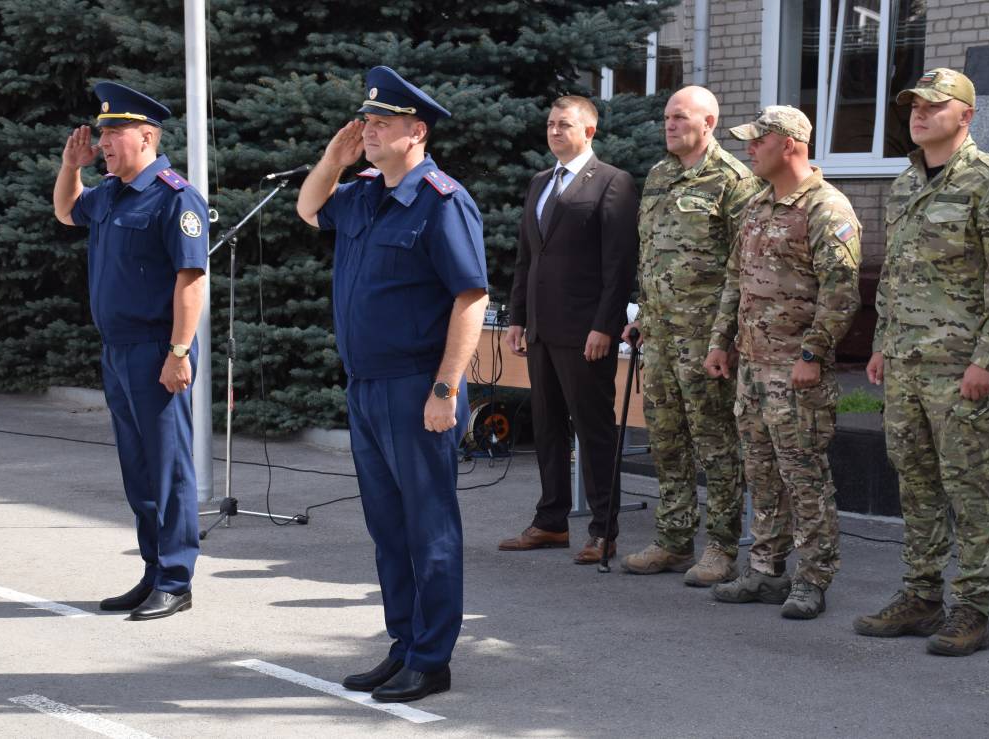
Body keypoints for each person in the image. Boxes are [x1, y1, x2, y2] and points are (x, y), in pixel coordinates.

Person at [296, 66, 488, 701]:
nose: (368, 131)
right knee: (388, 527)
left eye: (382, 124)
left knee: (429, 527)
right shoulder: (364, 193)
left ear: (417, 132)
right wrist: (333, 156)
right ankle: (403, 643)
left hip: (417, 388)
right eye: (367, 121)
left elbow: (470, 298)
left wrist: (445, 390)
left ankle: (432, 658)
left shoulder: (441, 200)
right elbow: (308, 207)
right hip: (367, 386)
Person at [853, 68, 989, 655]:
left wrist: (986, 361)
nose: (919, 114)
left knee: (968, 489)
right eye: (913, 106)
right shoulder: (903, 184)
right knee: (917, 485)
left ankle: (972, 610)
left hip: (960, 370)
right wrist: (880, 343)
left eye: (933, 104)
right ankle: (921, 597)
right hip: (904, 365)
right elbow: (897, 277)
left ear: (966, 115)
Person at [52, 82, 208, 621]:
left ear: (146, 136)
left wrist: (179, 351)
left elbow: (191, 280)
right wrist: (72, 166)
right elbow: (68, 212)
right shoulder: (111, 192)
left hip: (156, 351)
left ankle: (176, 578)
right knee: (138, 470)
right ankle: (152, 569)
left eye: (114, 134)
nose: (104, 143)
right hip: (117, 351)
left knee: (168, 468)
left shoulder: (173, 195)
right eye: (102, 134)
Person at [705, 106, 862, 619]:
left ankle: (812, 578)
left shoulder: (827, 208)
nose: (748, 150)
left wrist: (813, 353)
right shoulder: (755, 206)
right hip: (752, 367)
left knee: (804, 475)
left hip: (797, 371)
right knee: (762, 473)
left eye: (758, 142)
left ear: (789, 145)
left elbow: (841, 293)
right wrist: (719, 342)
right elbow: (735, 280)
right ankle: (766, 570)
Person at [619, 86, 763, 586]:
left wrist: (725, 338)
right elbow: (652, 254)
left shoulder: (733, 180)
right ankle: (674, 539)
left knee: (716, 442)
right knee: (666, 440)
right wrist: (641, 313)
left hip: (707, 342)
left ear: (710, 123)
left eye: (680, 117)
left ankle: (722, 546)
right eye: (667, 117)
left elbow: (742, 269)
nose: (670, 124)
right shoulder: (659, 175)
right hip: (659, 336)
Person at [497, 96, 639, 564]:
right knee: (548, 427)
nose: (555, 131)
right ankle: (550, 521)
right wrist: (517, 317)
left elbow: (619, 266)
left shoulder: (612, 182)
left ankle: (603, 530)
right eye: (551, 124)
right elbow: (526, 258)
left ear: (589, 132)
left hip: (585, 334)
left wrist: (606, 325)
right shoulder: (541, 182)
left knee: (594, 430)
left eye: (565, 125)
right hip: (540, 329)